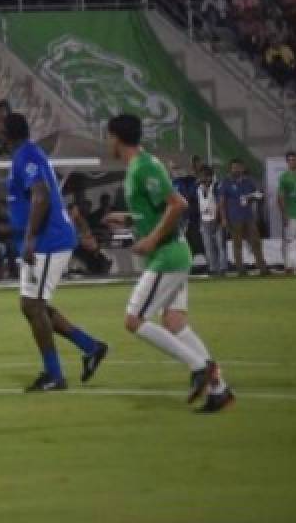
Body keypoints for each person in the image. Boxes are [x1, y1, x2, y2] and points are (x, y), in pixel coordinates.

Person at [103, 114, 234, 413]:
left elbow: (178, 204)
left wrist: (150, 241)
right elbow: (156, 209)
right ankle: (219, 390)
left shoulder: (144, 167)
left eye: (109, 136)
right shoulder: (141, 165)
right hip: (173, 252)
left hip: (167, 256)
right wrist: (126, 218)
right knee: (174, 322)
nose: (107, 142)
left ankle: (199, 366)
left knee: (133, 320)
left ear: (117, 138)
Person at [4, 113, 108, 392]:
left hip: (48, 242)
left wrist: (30, 238)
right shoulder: (31, 153)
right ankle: (90, 346)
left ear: (6, 134)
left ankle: (54, 374)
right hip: (48, 240)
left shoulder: (24, 156)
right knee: (36, 305)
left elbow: (40, 195)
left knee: (32, 306)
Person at [219, 158, 269, 276]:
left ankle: (262, 268)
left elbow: (259, 195)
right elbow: (221, 202)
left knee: (256, 242)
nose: (236, 170)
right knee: (237, 244)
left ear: (243, 168)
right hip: (234, 218)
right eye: (234, 168)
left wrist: (254, 197)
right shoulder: (226, 182)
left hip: (249, 217)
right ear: (230, 169)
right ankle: (240, 270)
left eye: (239, 167)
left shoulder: (249, 182)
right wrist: (224, 218)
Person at [196, 165, 226, 276]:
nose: (203, 178)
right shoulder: (199, 188)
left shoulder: (216, 186)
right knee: (208, 246)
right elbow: (200, 205)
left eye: (205, 176)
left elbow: (220, 203)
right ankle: (213, 268)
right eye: (201, 176)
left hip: (216, 219)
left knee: (220, 245)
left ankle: (222, 268)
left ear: (210, 176)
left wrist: (221, 218)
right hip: (205, 220)